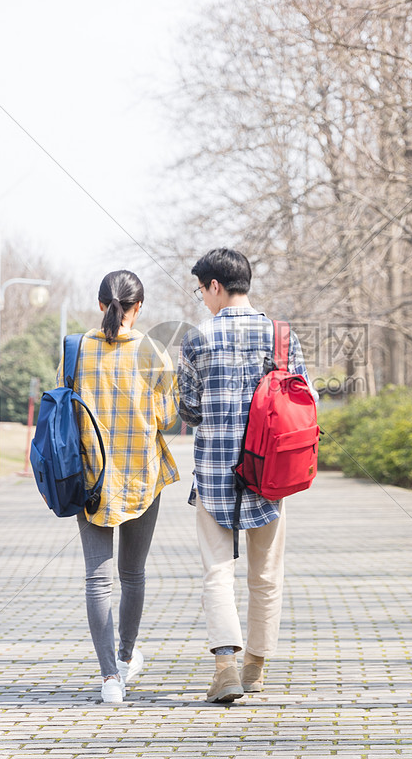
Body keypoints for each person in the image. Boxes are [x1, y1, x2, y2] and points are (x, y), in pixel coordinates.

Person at [177, 248, 313, 703]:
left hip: (215, 474)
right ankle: (255, 668)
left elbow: (189, 410)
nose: (203, 299)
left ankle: (225, 670)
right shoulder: (281, 335)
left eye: (201, 290)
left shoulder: (197, 339)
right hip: (269, 472)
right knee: (267, 574)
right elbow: (303, 396)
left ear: (215, 286)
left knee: (218, 571)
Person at [63, 269, 179, 704]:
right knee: (132, 574)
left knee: (98, 579)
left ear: (100, 305)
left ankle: (110, 679)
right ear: (139, 307)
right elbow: (168, 419)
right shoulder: (155, 353)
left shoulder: (74, 350)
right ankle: (126, 660)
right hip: (142, 478)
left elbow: (66, 408)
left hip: (90, 478)